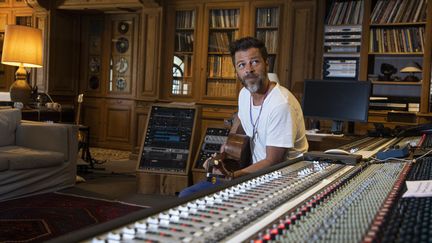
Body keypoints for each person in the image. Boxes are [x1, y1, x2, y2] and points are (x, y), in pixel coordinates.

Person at [178, 36, 308, 197]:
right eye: (241, 65)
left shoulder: (281, 104)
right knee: (187, 195)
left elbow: (273, 161)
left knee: (194, 198)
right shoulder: (244, 94)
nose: (249, 69)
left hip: (280, 181)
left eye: (254, 62)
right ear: (237, 71)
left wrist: (232, 176)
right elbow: (239, 125)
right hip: (253, 174)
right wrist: (222, 156)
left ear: (266, 64)